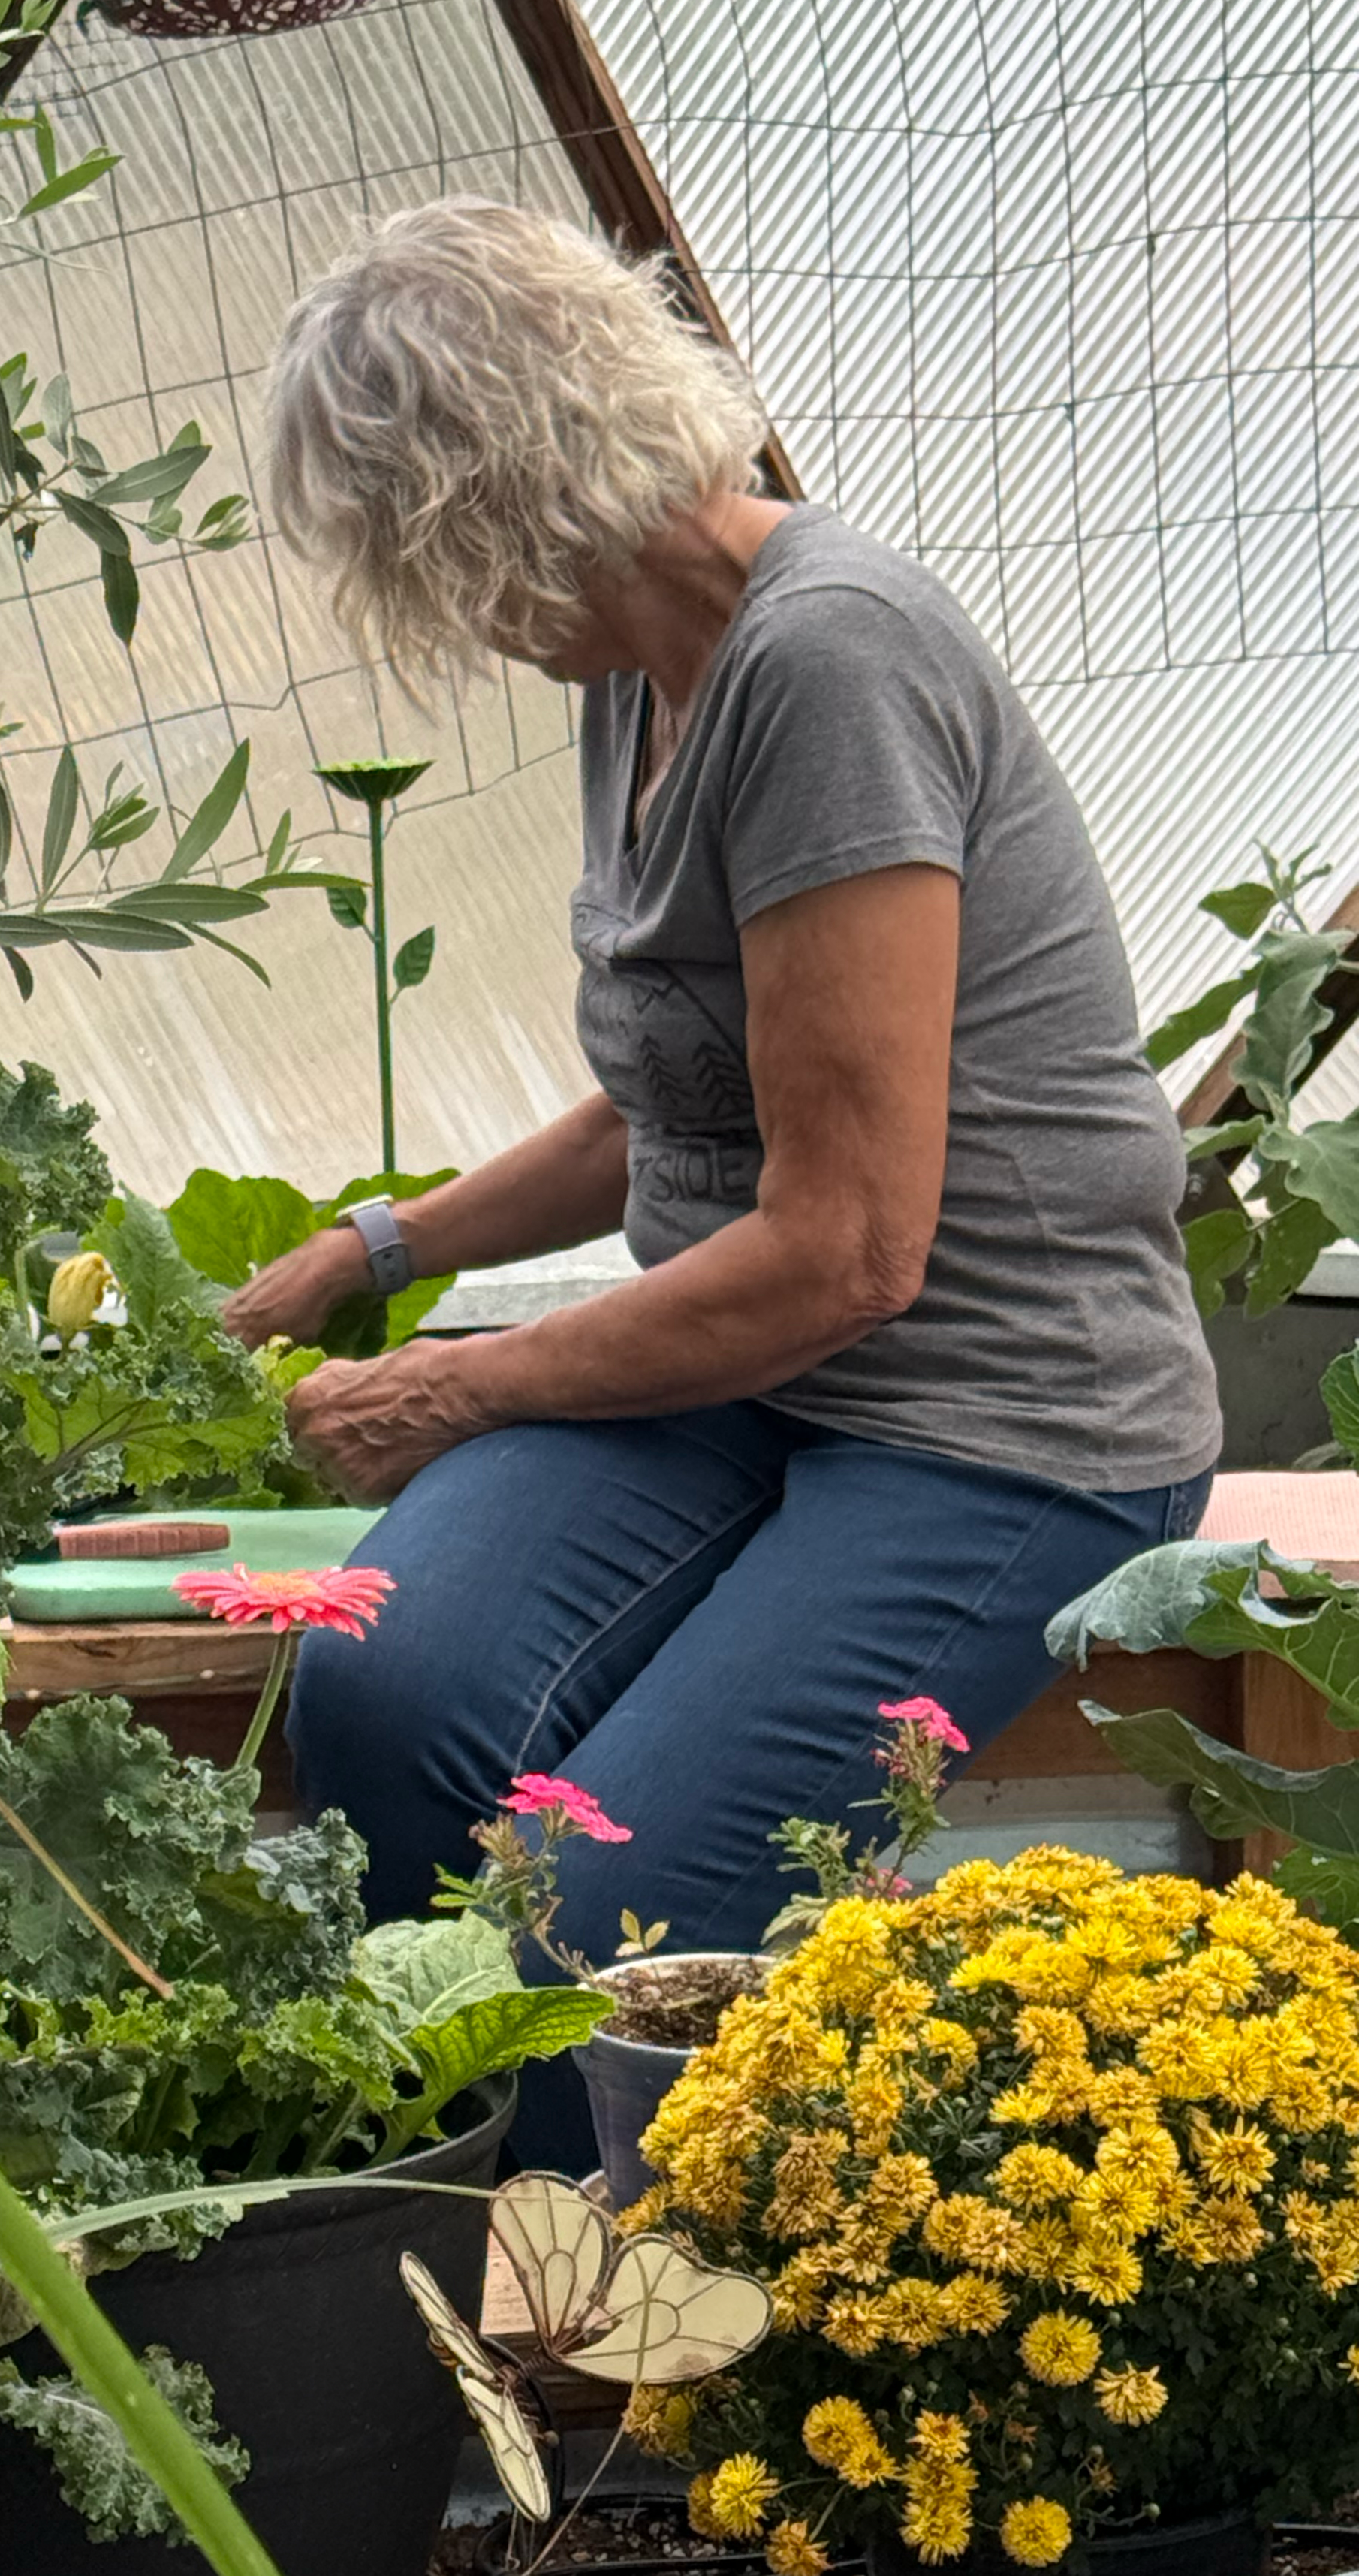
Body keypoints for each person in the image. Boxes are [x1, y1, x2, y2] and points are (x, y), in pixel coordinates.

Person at [225, 198, 1219, 2171]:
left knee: (603, 1925)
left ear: (514, 502)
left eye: (439, 563)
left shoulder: (828, 663)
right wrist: (372, 1252)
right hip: (746, 1391)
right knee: (383, 1680)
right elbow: (672, 1107)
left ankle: (610, 2328)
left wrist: (463, 1380)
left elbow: (851, 1245)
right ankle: (493, 2276)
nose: (468, 624)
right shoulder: (643, 670)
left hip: (994, 1418)